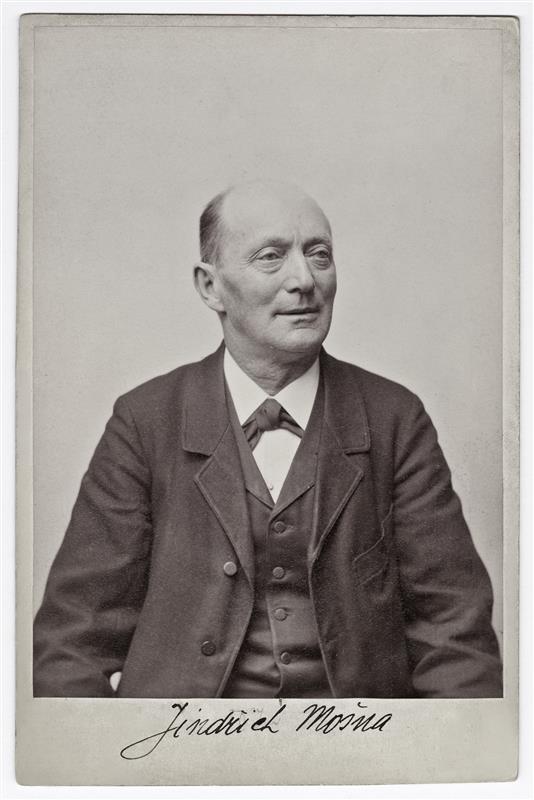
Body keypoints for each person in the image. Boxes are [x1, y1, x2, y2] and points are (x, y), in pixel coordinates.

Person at [33, 180, 503, 698]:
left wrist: (442, 747)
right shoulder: (146, 421)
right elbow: (72, 644)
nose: (304, 280)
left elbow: (454, 634)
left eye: (319, 255)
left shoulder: (394, 418)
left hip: (356, 740)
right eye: (271, 257)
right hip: (182, 742)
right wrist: (114, 750)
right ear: (210, 287)